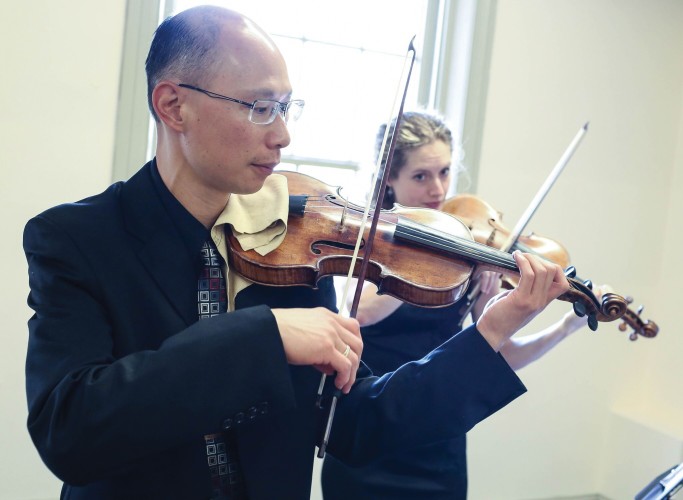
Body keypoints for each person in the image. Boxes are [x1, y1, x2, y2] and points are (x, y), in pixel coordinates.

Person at [22, 7, 570, 500]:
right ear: (173, 106)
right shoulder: (77, 238)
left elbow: (354, 423)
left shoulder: (297, 239)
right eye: (261, 107)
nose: (282, 135)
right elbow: (70, 433)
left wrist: (492, 333)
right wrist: (266, 336)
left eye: (286, 107)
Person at [322, 111, 607, 499]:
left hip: (438, 445)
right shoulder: (372, 236)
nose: (438, 189)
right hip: (370, 434)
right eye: (421, 176)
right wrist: (417, 258)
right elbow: (361, 310)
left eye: (444, 172)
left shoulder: (465, 251)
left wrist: (562, 328)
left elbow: (499, 354)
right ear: (389, 177)